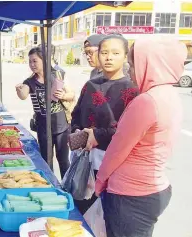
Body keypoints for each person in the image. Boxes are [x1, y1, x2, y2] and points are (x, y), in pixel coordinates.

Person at [95, 38, 186, 237]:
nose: (132, 71)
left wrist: (99, 181)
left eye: (134, 65)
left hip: (131, 195)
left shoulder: (146, 101)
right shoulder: (170, 95)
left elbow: (118, 149)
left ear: (151, 64)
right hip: (153, 188)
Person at [70, 35, 139, 214]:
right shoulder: (90, 85)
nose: (109, 57)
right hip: (83, 157)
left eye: (115, 53)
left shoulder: (132, 90)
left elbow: (128, 130)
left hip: (111, 162)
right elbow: (76, 113)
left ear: (125, 56)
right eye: (105, 52)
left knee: (105, 215)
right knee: (81, 209)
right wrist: (78, 132)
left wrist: (97, 135)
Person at [16, 47, 75, 178]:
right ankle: (51, 184)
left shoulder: (58, 75)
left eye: (35, 61)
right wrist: (19, 90)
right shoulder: (29, 82)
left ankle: (67, 186)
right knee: (46, 161)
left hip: (62, 127)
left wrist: (64, 95)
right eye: (30, 61)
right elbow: (23, 95)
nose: (32, 65)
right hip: (43, 129)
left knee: (64, 160)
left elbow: (72, 94)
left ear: (44, 60)